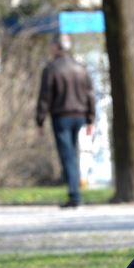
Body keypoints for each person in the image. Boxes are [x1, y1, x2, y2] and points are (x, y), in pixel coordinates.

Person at [36, 34, 95, 209]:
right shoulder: (81, 68)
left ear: (56, 47)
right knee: (73, 153)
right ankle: (74, 190)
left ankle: (74, 194)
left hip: (61, 116)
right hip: (80, 115)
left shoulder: (51, 69)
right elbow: (90, 94)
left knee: (67, 155)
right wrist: (91, 118)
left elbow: (45, 97)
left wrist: (40, 120)